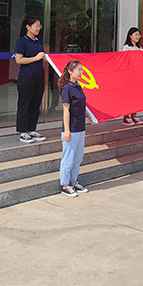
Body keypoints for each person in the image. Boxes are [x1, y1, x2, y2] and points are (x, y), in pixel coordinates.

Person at [58, 60, 89, 197]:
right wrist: (67, 130)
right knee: (68, 158)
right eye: (79, 70)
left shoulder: (78, 86)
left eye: (81, 69)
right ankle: (65, 185)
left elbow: (82, 106)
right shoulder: (67, 89)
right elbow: (66, 110)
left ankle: (73, 182)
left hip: (80, 127)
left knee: (78, 157)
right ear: (70, 71)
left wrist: (89, 117)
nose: (81, 72)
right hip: (72, 128)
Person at [14, 17, 47, 144]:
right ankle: (23, 132)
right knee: (25, 104)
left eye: (40, 26)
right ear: (28, 27)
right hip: (26, 77)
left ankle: (32, 130)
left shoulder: (38, 42)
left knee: (35, 104)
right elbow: (18, 60)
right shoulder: (21, 42)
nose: (38, 28)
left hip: (38, 77)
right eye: (36, 25)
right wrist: (35, 58)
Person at [121, 27, 143, 125]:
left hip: (137, 75)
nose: (138, 37)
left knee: (136, 96)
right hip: (128, 76)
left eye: (139, 35)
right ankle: (126, 116)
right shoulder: (127, 47)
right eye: (136, 35)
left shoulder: (138, 48)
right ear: (130, 36)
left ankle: (134, 114)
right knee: (128, 96)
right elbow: (124, 61)